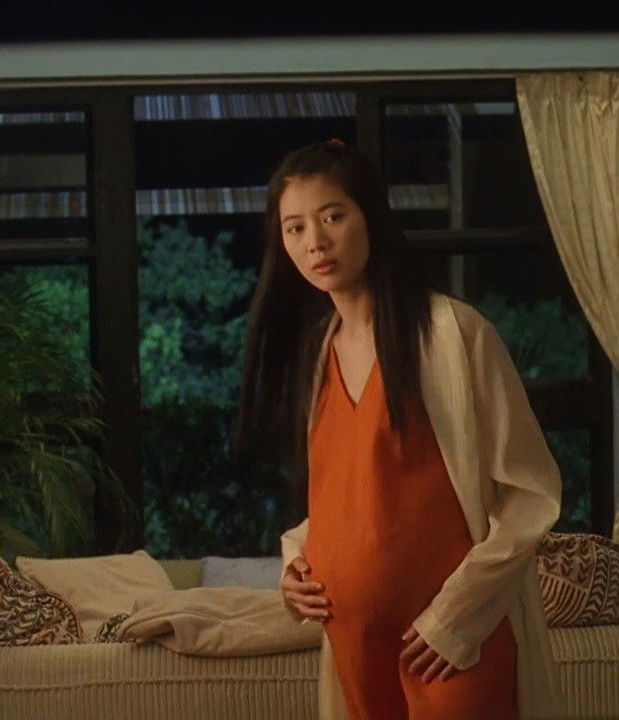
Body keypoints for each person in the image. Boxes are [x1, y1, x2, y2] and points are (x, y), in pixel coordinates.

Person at [236, 139, 565, 720]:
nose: (315, 242)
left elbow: (530, 493)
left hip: (448, 644)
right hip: (355, 647)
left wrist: (456, 617)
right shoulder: (320, 353)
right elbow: (351, 498)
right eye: (295, 228)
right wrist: (296, 563)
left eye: (332, 217)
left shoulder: (454, 334)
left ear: (371, 216)